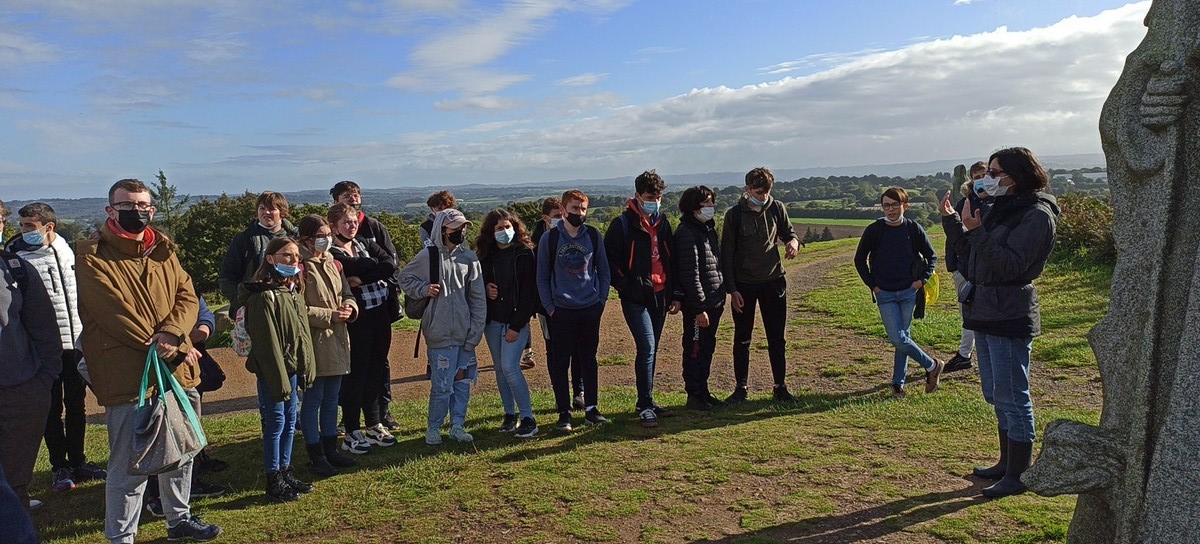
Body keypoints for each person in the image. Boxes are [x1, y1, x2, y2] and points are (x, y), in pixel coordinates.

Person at [75, 179, 221, 542]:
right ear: (111, 210)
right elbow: (114, 314)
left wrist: (173, 334)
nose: (137, 211)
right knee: (130, 464)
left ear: (152, 210)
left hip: (177, 371)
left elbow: (188, 296)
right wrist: (167, 341)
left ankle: (179, 519)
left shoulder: (164, 250)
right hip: (128, 375)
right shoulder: (90, 255)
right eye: (128, 205)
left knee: (183, 450)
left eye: (143, 205)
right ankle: (121, 537)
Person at [940, 147, 1059, 498]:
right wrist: (953, 221)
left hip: (1009, 311)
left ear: (1018, 175)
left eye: (995, 173)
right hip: (985, 308)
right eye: (987, 172)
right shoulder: (1000, 208)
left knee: (1013, 395)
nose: (987, 179)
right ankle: (1006, 463)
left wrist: (976, 232)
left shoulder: (1037, 215)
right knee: (995, 393)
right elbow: (970, 253)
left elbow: (1009, 265)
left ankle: (1019, 474)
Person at [5, 203, 106, 492]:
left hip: (75, 343)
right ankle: (59, 466)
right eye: (21, 225)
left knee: (77, 405)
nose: (23, 231)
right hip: (43, 348)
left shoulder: (68, 249)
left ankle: (78, 461)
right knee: (50, 408)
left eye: (29, 226)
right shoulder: (16, 257)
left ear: (48, 227)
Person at [400, 209, 487, 445]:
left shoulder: (469, 259)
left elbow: (478, 299)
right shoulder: (428, 256)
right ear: (442, 230)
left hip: (465, 334)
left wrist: (475, 333)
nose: (461, 232)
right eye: (455, 229)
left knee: (462, 383)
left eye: (463, 228)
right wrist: (424, 290)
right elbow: (404, 278)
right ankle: (434, 427)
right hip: (438, 334)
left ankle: (457, 425)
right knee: (441, 386)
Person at [0, 199, 62, 526]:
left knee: (14, 486)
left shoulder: (17, 269)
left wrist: (41, 383)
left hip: (18, 395)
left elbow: (45, 331)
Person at [241, 237, 317, 501]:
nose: (293, 261)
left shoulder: (292, 291)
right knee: (276, 424)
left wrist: (306, 366)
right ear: (270, 259)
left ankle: (286, 471)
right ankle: (273, 478)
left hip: (292, 368)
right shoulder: (263, 297)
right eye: (287, 256)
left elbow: (301, 334)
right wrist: (280, 380)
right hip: (274, 373)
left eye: (296, 256)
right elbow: (267, 345)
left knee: (289, 422)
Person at [853, 187, 945, 399]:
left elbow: (932, 257)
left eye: (895, 205)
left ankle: (897, 385)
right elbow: (859, 260)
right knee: (898, 338)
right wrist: (872, 285)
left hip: (908, 293)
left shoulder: (914, 229)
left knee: (902, 337)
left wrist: (921, 282)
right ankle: (932, 365)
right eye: (886, 205)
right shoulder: (874, 230)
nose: (891, 209)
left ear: (906, 205)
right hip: (884, 293)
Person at [720, 167, 801, 403]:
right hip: (744, 285)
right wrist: (732, 290)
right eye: (758, 191)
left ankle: (780, 387)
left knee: (777, 338)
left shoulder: (777, 207)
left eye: (767, 191)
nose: (763, 196)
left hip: (774, 281)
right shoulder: (734, 215)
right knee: (742, 337)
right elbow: (727, 254)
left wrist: (793, 243)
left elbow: (789, 233)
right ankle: (740, 388)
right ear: (747, 189)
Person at [144, 296, 227, 518]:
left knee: (188, 435)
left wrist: (195, 335)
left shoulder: (182, 280)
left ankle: (190, 486)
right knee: (161, 436)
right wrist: (179, 342)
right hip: (157, 374)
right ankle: (156, 497)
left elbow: (205, 315)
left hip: (189, 369)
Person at [604, 170, 676, 427]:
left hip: (660, 296)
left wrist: (673, 293)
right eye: (649, 197)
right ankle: (645, 406)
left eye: (658, 197)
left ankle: (646, 399)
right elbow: (610, 263)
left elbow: (670, 258)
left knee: (652, 349)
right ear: (637, 196)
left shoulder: (663, 222)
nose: (654, 202)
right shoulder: (622, 224)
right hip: (636, 298)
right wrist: (628, 286)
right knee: (646, 348)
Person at [536, 189, 612, 430]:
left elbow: (604, 270)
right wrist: (550, 307)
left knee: (588, 359)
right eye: (574, 209)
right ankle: (564, 413)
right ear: (563, 209)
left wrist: (600, 301)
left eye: (582, 209)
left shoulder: (593, 235)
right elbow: (542, 277)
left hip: (590, 307)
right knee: (561, 362)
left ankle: (591, 409)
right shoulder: (550, 239)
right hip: (561, 310)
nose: (578, 213)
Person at [330, 180, 402, 429]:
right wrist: (371, 266)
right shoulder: (331, 250)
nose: (351, 227)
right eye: (346, 223)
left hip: (380, 310)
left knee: (376, 366)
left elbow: (389, 264)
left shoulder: (369, 234)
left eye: (353, 222)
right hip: (355, 316)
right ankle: (351, 425)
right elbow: (357, 265)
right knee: (356, 370)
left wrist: (363, 276)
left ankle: (377, 419)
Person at [296, 215, 359, 476]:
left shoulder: (332, 263)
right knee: (313, 399)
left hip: (338, 338)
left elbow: (347, 293)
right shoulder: (299, 265)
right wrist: (328, 315)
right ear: (307, 239)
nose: (327, 239)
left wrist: (349, 308)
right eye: (321, 235)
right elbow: (296, 307)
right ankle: (315, 452)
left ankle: (331, 447)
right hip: (315, 340)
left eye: (328, 234)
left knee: (333, 398)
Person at [475, 209, 539, 438]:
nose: (505, 231)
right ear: (491, 232)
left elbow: (529, 295)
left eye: (508, 226)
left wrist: (516, 325)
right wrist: (484, 289)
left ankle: (528, 417)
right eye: (499, 228)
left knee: (510, 367)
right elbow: (474, 287)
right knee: (501, 370)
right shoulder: (484, 256)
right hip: (492, 321)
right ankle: (509, 415)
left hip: (516, 321)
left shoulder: (525, 254)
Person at [671, 186, 727, 411]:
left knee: (707, 348)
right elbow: (690, 274)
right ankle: (694, 394)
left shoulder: (706, 229)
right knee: (695, 348)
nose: (711, 208)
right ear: (694, 207)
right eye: (707, 204)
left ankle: (703, 391)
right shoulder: (687, 233)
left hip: (714, 299)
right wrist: (698, 308)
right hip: (700, 305)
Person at [530, 197, 584, 403]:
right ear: (545, 218)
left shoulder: (575, 236)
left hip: (574, 304)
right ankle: (559, 394)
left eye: (562, 215)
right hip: (548, 308)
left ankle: (579, 392)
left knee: (578, 348)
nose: (561, 219)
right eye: (555, 217)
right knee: (554, 350)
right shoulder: (533, 244)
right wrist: (547, 305)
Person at [218, 191, 298, 319]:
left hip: (288, 306)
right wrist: (244, 299)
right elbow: (227, 278)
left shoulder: (294, 238)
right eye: (262, 208)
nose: (266, 212)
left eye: (271, 209)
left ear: (282, 212)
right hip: (254, 310)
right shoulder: (244, 239)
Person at [943, 161, 989, 373]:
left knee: (981, 314)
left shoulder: (997, 203)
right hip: (964, 268)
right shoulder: (963, 204)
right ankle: (965, 354)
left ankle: (966, 355)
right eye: (976, 176)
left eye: (984, 174)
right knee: (967, 313)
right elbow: (954, 237)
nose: (980, 179)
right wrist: (953, 266)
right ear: (971, 179)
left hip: (988, 268)